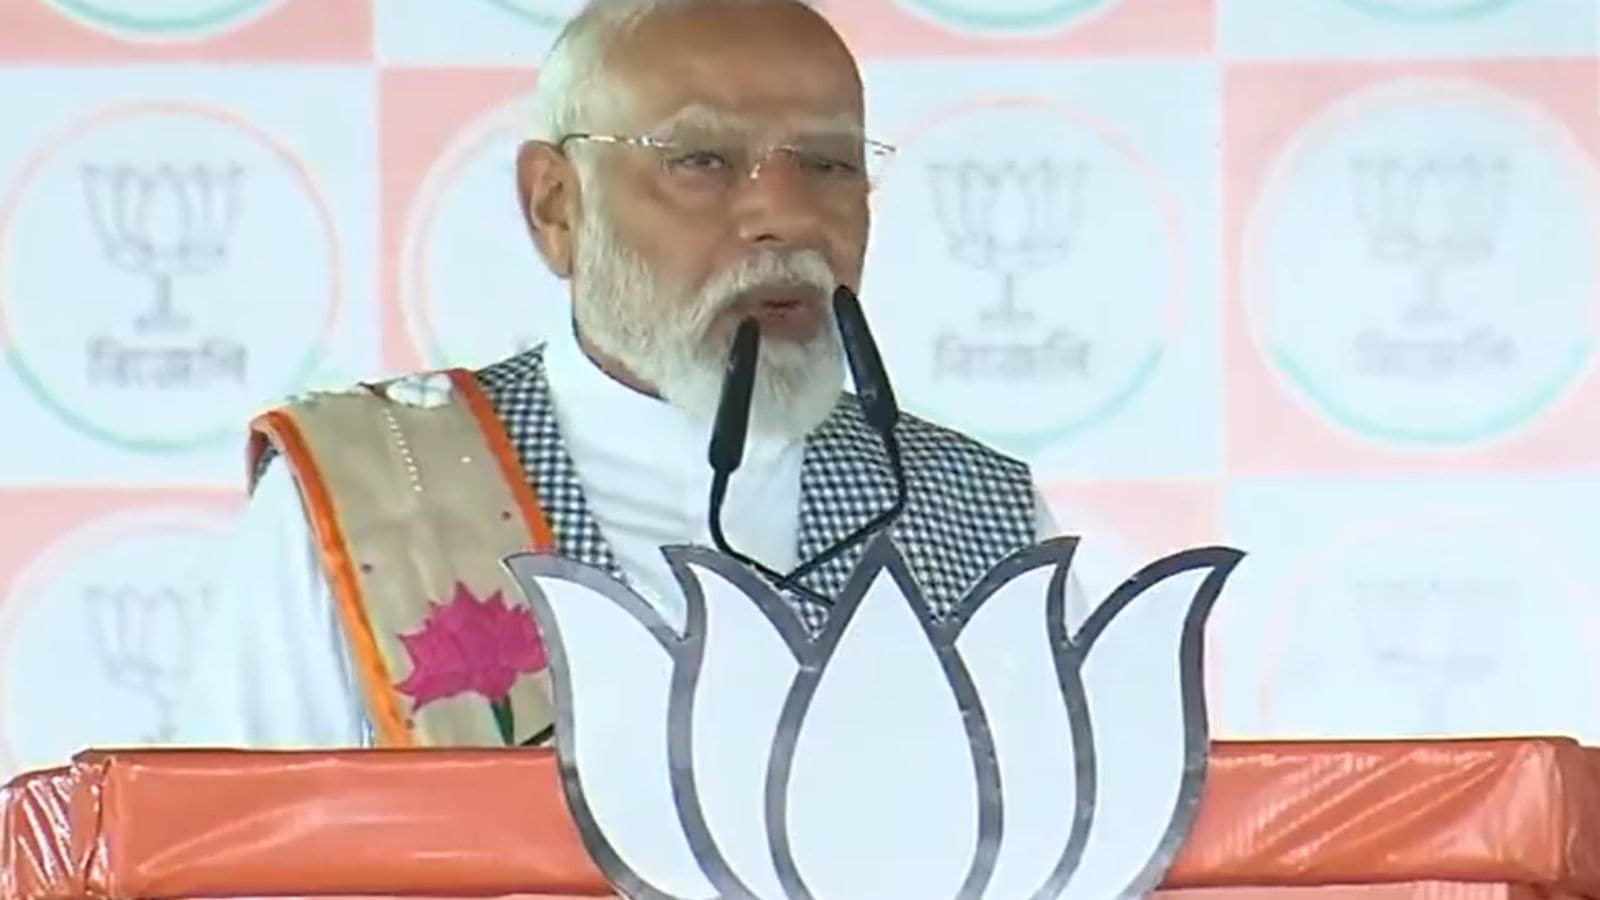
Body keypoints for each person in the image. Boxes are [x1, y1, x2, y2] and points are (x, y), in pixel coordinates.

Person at [173, 0, 1078, 750]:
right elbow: (232, 861)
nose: (786, 215)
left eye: (830, 166)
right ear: (556, 207)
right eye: (703, 162)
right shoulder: (367, 489)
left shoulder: (982, 510)